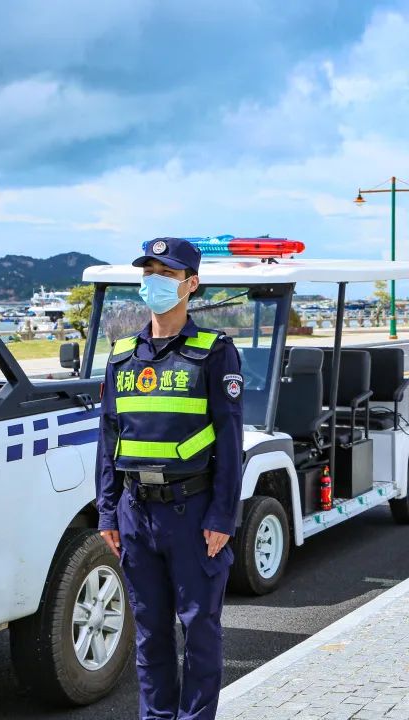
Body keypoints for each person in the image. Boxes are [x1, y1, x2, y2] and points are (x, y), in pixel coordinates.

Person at [96, 237, 242, 720]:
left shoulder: (214, 352)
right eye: (149, 272)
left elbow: (230, 440)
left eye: (167, 274)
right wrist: (107, 512)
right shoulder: (121, 355)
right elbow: (109, 439)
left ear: (191, 284)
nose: (154, 281)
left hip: (193, 514)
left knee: (199, 632)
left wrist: (222, 516)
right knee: (150, 634)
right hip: (135, 513)